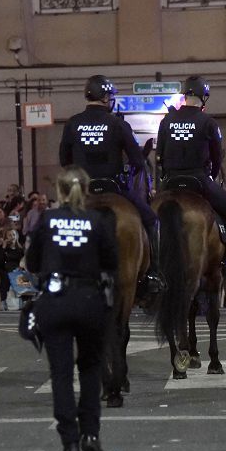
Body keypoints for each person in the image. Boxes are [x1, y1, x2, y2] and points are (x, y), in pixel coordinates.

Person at [26, 166, 117, 451]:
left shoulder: (47, 220)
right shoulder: (97, 220)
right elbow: (111, 261)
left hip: (55, 300)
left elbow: (32, 261)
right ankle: (91, 433)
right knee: (91, 369)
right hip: (90, 300)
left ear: (60, 191)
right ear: (87, 189)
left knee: (61, 375)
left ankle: (70, 444)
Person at [60, 75, 165, 291]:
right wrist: (128, 172)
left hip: (83, 190)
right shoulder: (117, 123)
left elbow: (64, 160)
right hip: (113, 186)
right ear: (106, 97)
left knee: (59, 223)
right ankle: (154, 273)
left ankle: (58, 273)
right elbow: (137, 160)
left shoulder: (73, 123)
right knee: (152, 221)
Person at [156, 75, 226, 280]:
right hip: (198, 180)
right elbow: (216, 158)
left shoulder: (167, 120)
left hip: (170, 181)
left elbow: (159, 156)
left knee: (149, 218)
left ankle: (152, 268)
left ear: (185, 94)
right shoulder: (208, 122)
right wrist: (212, 176)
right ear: (203, 97)